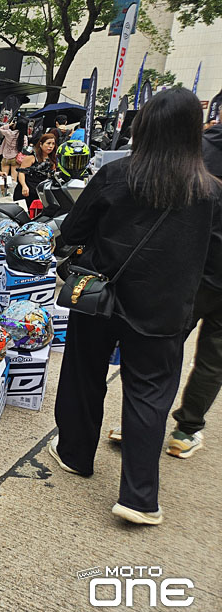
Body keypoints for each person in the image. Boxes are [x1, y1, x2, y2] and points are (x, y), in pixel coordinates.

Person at [49, 88, 222, 525]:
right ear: (193, 132)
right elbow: (215, 263)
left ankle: (75, 455)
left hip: (99, 296)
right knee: (149, 394)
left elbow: (72, 232)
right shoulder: (211, 192)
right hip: (163, 310)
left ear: (142, 127)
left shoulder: (115, 175)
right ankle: (140, 497)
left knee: (84, 375)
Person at [108, 118, 222, 459]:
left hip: (190, 269)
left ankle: (140, 424)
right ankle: (185, 431)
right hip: (202, 270)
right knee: (214, 359)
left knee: (159, 351)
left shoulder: (199, 147)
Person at [15, 132, 55, 209]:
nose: (50, 146)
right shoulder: (31, 157)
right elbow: (21, 172)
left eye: (53, 144)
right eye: (48, 143)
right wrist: (24, 186)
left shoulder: (52, 159)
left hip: (41, 191)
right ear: (41, 144)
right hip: (27, 190)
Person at [0, 116, 29, 185]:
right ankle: (12, 190)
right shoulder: (24, 137)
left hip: (6, 157)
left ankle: (3, 190)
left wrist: (9, 125)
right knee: (14, 178)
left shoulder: (9, 133)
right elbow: (24, 149)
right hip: (16, 158)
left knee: (4, 177)